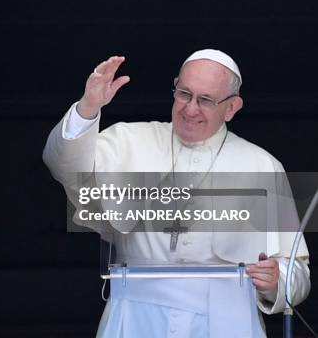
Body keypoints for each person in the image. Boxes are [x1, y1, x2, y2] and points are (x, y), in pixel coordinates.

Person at [42, 49, 310, 337]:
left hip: (228, 323)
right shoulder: (129, 141)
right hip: (136, 316)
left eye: (205, 100)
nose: (190, 109)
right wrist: (88, 108)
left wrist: (276, 282)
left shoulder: (263, 166)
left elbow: (297, 271)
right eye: (184, 94)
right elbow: (64, 166)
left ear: (231, 107)